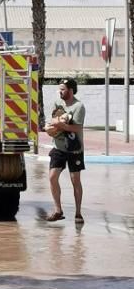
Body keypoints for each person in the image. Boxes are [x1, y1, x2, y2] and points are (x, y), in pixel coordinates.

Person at [46, 77, 86, 223]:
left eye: (62, 89)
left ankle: (78, 213)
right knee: (52, 177)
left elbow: (77, 128)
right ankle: (58, 210)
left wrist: (60, 125)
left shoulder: (78, 106)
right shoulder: (57, 104)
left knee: (75, 180)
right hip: (58, 147)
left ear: (70, 90)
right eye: (59, 89)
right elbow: (53, 123)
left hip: (74, 148)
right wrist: (50, 128)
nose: (60, 91)